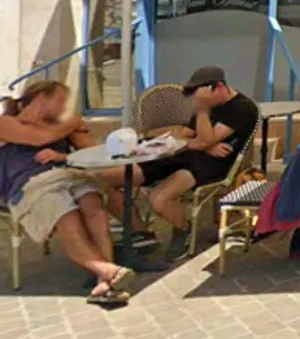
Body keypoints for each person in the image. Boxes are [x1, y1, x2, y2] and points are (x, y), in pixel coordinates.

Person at [99, 66, 258, 261]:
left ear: (219, 87)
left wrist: (203, 110)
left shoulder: (241, 108)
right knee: (107, 179)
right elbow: (184, 137)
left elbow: (206, 139)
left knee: (158, 199)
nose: (197, 101)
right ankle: (141, 233)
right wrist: (201, 144)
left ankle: (183, 229)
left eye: (202, 96)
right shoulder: (209, 105)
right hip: (182, 154)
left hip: (212, 164)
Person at [0, 80, 134, 305]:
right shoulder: (6, 123)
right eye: (60, 101)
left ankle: (103, 282)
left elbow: (93, 151)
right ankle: (109, 271)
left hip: (69, 175)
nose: (64, 108)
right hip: (31, 184)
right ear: (41, 97)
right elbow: (38, 139)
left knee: (96, 209)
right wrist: (72, 123)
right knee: (69, 220)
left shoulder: (62, 127)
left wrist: (72, 139)